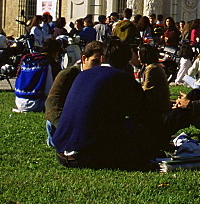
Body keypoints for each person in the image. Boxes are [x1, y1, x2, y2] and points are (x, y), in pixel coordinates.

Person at [53, 39, 159, 170]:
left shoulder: (82, 75)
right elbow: (142, 114)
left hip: (62, 151)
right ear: (128, 61)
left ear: (102, 57)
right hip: (90, 155)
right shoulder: (123, 79)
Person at [45, 41, 104, 146]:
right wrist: (64, 127)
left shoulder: (104, 77)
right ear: (84, 59)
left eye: (101, 63)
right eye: (94, 62)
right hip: (67, 124)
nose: (98, 67)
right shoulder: (67, 75)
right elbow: (52, 105)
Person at [14, 39, 62, 113]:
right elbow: (48, 90)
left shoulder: (28, 59)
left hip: (19, 101)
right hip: (35, 103)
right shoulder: (47, 63)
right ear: (55, 53)